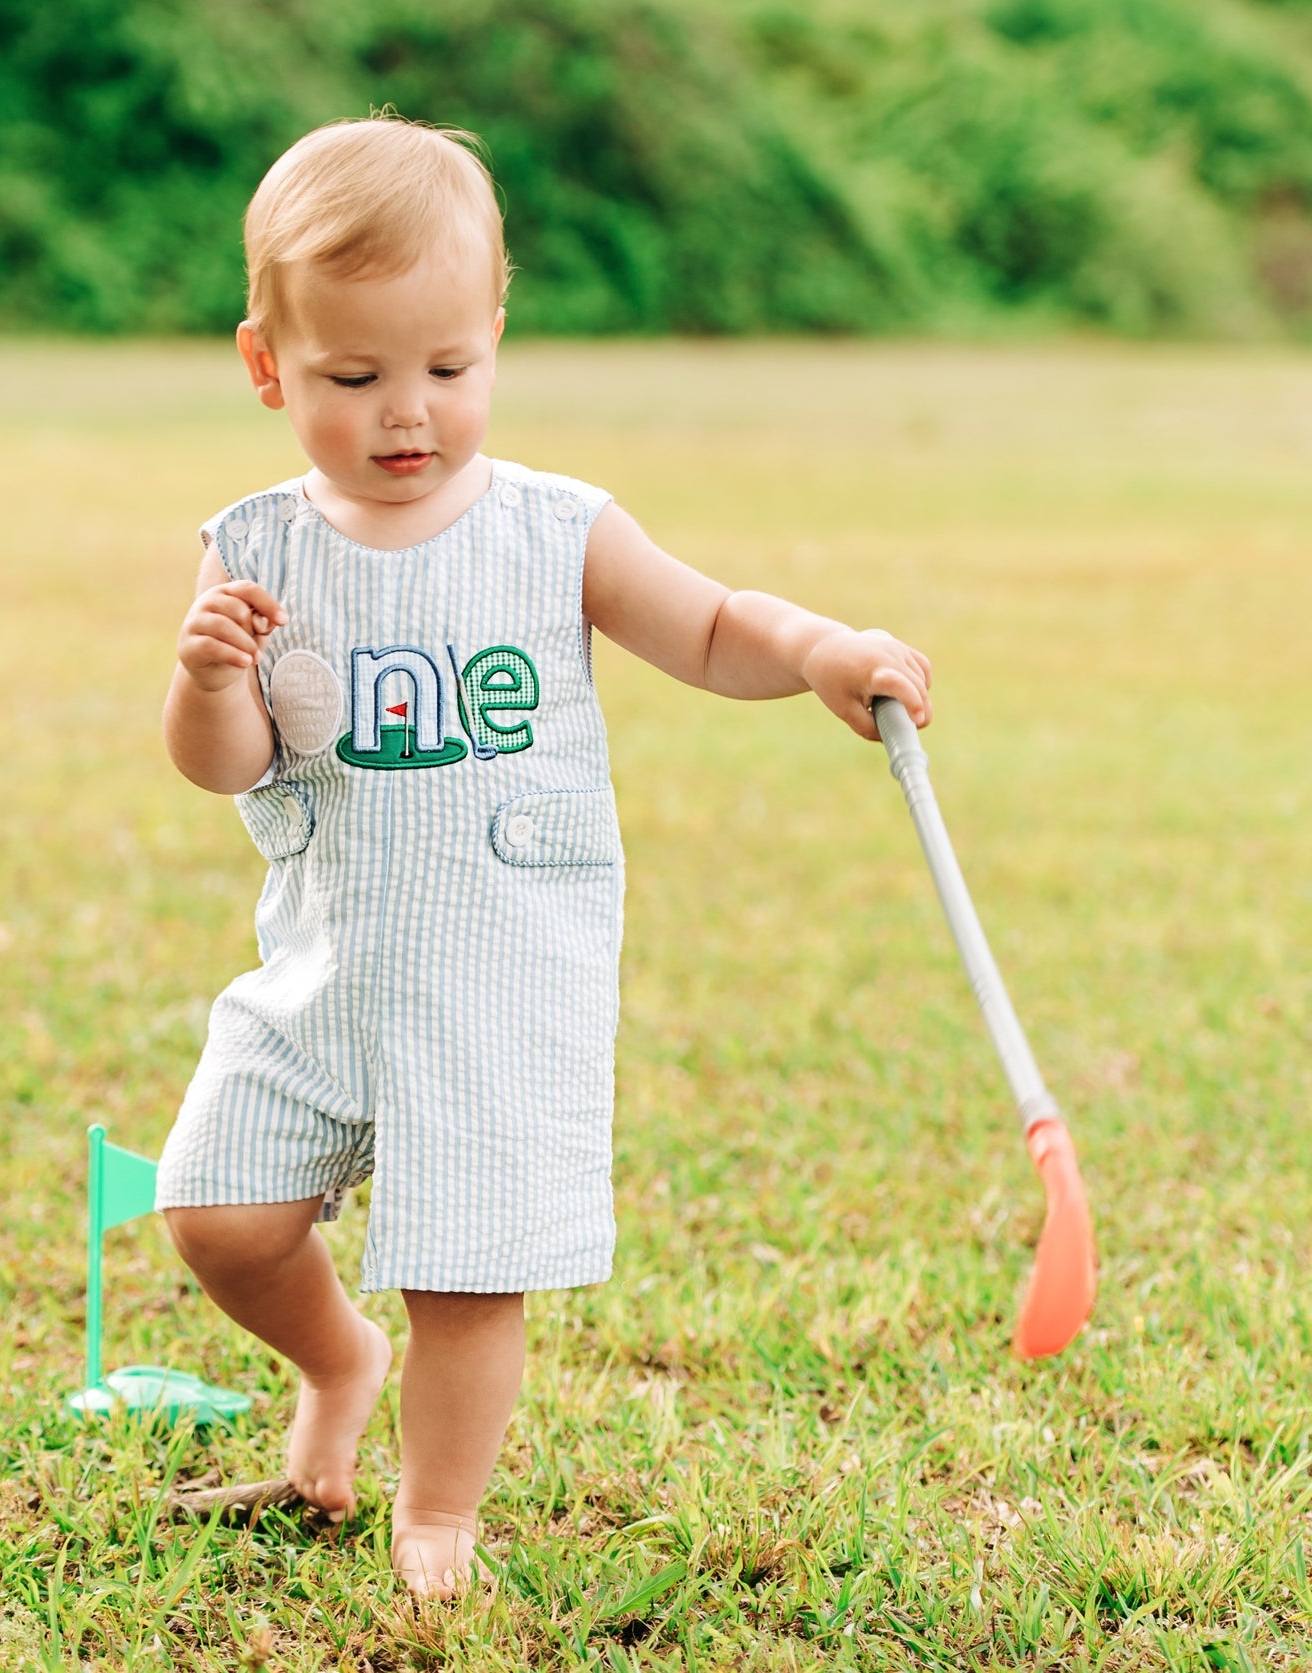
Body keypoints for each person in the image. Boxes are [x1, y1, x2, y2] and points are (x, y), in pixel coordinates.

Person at [154, 113, 932, 1597]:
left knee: (466, 1264)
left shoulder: (550, 529)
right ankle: (336, 1361)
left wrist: (821, 648)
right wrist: (203, 682)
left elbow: (708, 625)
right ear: (266, 366)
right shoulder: (254, 546)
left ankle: (436, 1507)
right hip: (321, 963)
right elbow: (225, 766)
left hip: (499, 972)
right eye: (354, 376)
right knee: (218, 1212)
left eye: (447, 370)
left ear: (493, 340)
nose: (409, 414)